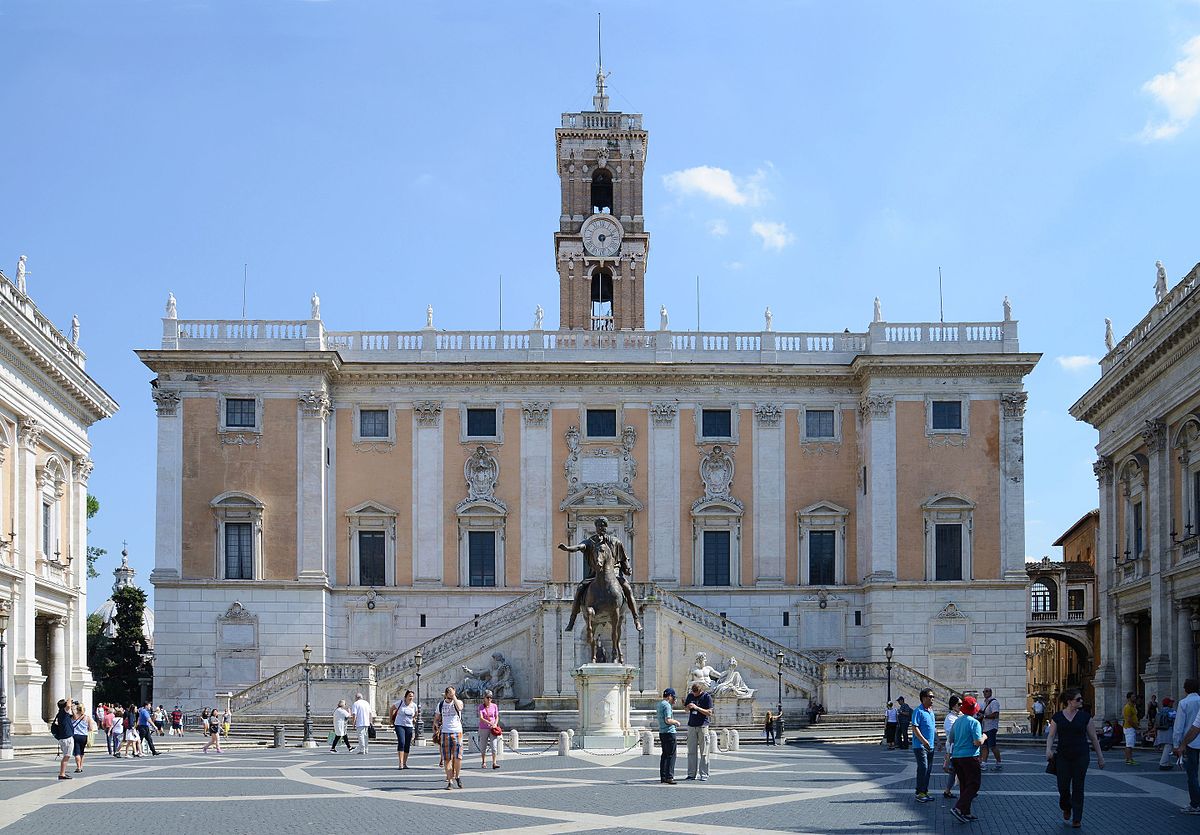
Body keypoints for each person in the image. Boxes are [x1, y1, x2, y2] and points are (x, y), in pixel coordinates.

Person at [556, 516, 643, 633]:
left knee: (627, 589)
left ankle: (636, 619)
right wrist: (567, 548)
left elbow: (623, 558)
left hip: (615, 573)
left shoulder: (616, 541)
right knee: (580, 589)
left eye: (603, 525)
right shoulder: (590, 541)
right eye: (599, 525)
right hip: (595, 574)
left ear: (606, 527)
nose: (601, 527)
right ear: (596, 527)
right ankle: (572, 620)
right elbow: (579, 547)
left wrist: (627, 568)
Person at [1046, 688, 1105, 828]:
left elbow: (1094, 738)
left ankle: (1077, 818)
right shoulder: (1057, 717)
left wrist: (1100, 757)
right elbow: (1051, 736)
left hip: (1081, 755)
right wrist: (1048, 749)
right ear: (1069, 701)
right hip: (1063, 756)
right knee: (1063, 786)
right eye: (1078, 699)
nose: (1081, 701)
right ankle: (1066, 806)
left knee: (1078, 787)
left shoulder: (1085, 717)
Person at [948, 696, 984, 823]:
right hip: (969, 757)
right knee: (974, 784)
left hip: (957, 757)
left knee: (964, 785)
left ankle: (966, 812)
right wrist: (984, 737)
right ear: (974, 709)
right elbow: (977, 742)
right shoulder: (974, 723)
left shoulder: (957, 721)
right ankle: (958, 808)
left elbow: (951, 739)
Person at [1173, 677, 1200, 814]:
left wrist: (1177, 744)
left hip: (1190, 742)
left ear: (1185, 689)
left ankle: (1195, 804)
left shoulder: (1184, 703)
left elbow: (1179, 726)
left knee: (1192, 774)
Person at [911, 688, 937, 803]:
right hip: (920, 746)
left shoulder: (931, 711)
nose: (932, 699)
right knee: (923, 768)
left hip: (930, 746)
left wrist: (938, 741)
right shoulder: (918, 711)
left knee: (928, 769)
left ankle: (924, 791)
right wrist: (923, 741)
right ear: (923, 698)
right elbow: (915, 728)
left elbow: (933, 728)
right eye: (930, 697)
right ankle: (919, 793)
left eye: (933, 697)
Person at [436, 686, 465, 790]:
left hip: (457, 732)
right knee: (447, 759)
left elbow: (460, 708)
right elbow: (436, 718)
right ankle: (450, 781)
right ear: (445, 693)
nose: (450, 693)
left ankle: (457, 776)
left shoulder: (458, 702)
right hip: (445, 732)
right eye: (448, 692)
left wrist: (454, 697)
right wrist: (436, 724)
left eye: (452, 692)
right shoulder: (440, 704)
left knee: (458, 757)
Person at [684, 681, 713, 781]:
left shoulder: (707, 697)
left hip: (703, 726)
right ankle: (691, 774)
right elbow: (686, 710)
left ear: (701, 691)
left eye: (696, 692)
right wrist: (688, 707)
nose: (694, 694)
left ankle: (704, 774)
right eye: (693, 692)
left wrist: (697, 707)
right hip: (691, 725)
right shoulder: (690, 696)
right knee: (691, 751)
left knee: (704, 752)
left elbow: (709, 712)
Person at [657, 688, 680, 784]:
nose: (674, 699)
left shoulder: (660, 704)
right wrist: (676, 722)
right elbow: (668, 720)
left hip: (662, 732)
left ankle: (663, 776)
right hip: (669, 732)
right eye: (673, 697)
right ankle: (669, 776)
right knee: (671, 755)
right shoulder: (667, 705)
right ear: (670, 696)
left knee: (664, 755)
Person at [941, 694, 962, 799]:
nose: (961, 706)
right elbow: (951, 734)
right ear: (953, 706)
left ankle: (947, 791)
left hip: (958, 747)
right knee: (959, 770)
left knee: (954, 771)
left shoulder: (959, 715)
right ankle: (966, 792)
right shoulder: (950, 718)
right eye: (959, 704)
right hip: (954, 748)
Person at [391, 690, 417, 769]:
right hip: (399, 725)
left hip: (409, 726)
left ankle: (405, 763)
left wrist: (414, 718)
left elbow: (416, 713)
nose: (411, 697)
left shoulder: (414, 705)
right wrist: (391, 719)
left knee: (407, 744)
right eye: (409, 696)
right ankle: (401, 762)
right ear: (405, 697)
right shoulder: (400, 703)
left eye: (412, 696)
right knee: (401, 742)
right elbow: (391, 708)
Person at [978, 687, 1002, 771]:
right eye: (984, 691)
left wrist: (984, 716)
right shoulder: (984, 703)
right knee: (984, 746)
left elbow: (995, 714)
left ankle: (999, 763)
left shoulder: (994, 702)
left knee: (992, 746)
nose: (985, 693)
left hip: (992, 727)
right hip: (985, 727)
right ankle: (984, 764)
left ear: (991, 692)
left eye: (987, 691)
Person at [477, 690, 501, 770]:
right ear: (484, 698)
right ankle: (483, 761)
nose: (489, 699)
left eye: (491, 697)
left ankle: (494, 763)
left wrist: (495, 724)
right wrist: (489, 722)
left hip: (493, 728)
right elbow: (481, 718)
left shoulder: (494, 706)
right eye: (488, 697)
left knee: (494, 746)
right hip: (484, 728)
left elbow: (497, 716)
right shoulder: (481, 707)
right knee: (483, 746)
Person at [51, 698, 74, 779]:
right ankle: (62, 773)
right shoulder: (64, 712)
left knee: (66, 756)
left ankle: (62, 773)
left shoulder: (60, 713)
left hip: (63, 738)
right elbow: (68, 705)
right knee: (66, 756)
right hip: (67, 738)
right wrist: (70, 699)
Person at [70, 703, 94, 774]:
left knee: (76, 752)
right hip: (84, 736)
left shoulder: (74, 716)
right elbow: (91, 728)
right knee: (82, 752)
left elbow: (72, 711)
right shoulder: (87, 717)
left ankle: (78, 767)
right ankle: (81, 766)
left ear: (77, 709)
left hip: (75, 735)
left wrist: (72, 706)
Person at [1157, 697, 1178, 769]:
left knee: (1166, 747)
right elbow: (1177, 718)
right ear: (1168, 703)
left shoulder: (1160, 711)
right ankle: (1163, 763)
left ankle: (1167, 762)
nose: (1172, 703)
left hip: (1160, 730)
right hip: (1168, 730)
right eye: (1171, 702)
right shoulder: (1171, 711)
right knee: (1168, 746)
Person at [1122, 691, 1140, 765]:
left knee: (1130, 744)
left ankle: (1130, 758)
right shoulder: (1128, 707)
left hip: (1131, 727)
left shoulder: (1133, 706)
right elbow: (1129, 720)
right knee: (1129, 745)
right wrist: (1136, 727)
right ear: (1129, 698)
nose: (1135, 698)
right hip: (1129, 727)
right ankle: (1128, 759)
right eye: (1133, 697)